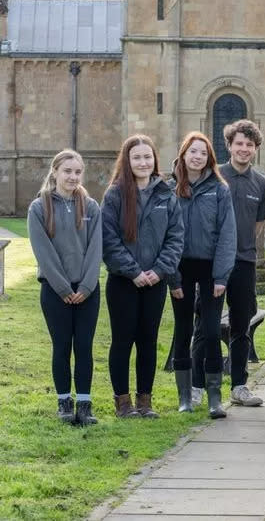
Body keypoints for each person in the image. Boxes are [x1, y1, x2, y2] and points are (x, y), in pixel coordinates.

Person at [189, 119, 265, 408]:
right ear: (228, 145)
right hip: (211, 264)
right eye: (239, 143)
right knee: (205, 325)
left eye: (250, 145)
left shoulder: (261, 184)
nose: (244, 149)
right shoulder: (213, 177)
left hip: (244, 263)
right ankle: (197, 385)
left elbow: (259, 224)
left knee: (241, 326)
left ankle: (239, 386)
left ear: (256, 149)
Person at [102, 135, 184, 418]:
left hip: (155, 282)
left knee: (148, 340)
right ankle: (123, 403)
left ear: (154, 160)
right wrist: (133, 271)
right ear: (127, 161)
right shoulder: (114, 195)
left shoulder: (166, 195)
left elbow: (176, 238)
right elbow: (109, 240)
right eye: (136, 157)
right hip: (123, 282)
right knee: (122, 340)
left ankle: (145, 402)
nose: (143, 162)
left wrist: (158, 271)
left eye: (147, 157)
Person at [28, 149, 102, 425]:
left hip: (87, 291)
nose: (72, 176)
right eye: (67, 171)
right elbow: (44, 253)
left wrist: (86, 286)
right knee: (62, 346)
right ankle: (64, 402)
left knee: (84, 347)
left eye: (77, 171)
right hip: (55, 291)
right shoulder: (39, 207)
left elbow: (96, 249)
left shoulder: (91, 207)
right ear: (55, 172)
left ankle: (84, 404)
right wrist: (62, 288)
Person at [168, 132, 236, 419]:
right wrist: (172, 278)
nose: (197, 157)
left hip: (210, 268)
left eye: (203, 153)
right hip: (181, 266)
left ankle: (214, 398)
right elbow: (165, 235)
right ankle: (185, 397)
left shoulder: (220, 189)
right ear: (183, 154)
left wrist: (221, 276)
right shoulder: (170, 189)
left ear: (209, 158)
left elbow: (227, 233)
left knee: (210, 331)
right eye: (192, 151)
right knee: (183, 330)